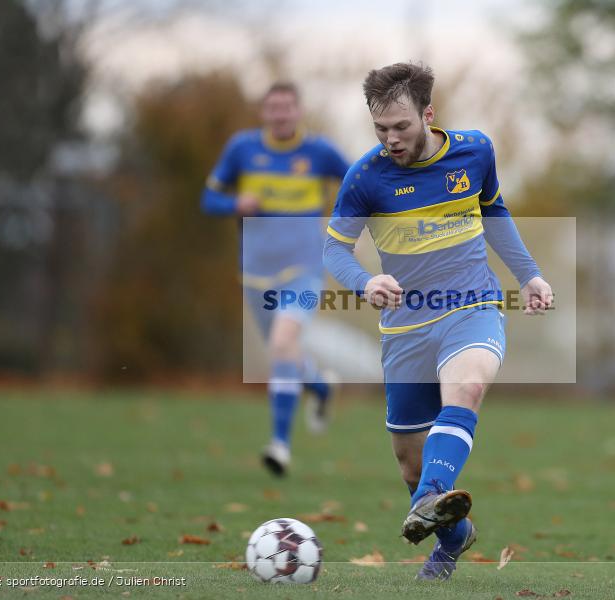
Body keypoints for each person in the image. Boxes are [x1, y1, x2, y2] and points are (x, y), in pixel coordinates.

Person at [323, 62, 553, 580]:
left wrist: (530, 276)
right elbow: (334, 249)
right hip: (405, 328)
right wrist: (365, 283)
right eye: (379, 128)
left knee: (467, 386)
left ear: (428, 114)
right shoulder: (365, 177)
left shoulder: (475, 151)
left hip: (471, 306)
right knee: (409, 459)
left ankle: (431, 498)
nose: (390, 139)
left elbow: (494, 212)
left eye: (401, 126)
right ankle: (453, 533)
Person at [201, 82, 350, 477]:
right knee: (284, 353)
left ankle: (279, 444)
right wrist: (235, 203)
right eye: (273, 108)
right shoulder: (242, 149)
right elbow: (208, 198)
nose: (281, 115)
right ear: (264, 113)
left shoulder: (320, 152)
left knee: (284, 343)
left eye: (287, 108)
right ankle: (320, 387)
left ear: (299, 111)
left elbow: (359, 183)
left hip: (304, 269)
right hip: (255, 273)